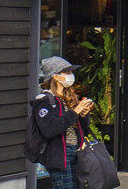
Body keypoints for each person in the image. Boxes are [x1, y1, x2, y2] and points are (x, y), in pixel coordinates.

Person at [31, 57, 92, 189]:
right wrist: (75, 112)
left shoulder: (69, 96)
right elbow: (49, 129)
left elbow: (82, 127)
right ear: (56, 76)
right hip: (59, 156)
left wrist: (83, 114)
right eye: (67, 72)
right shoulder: (44, 100)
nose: (71, 75)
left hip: (77, 152)